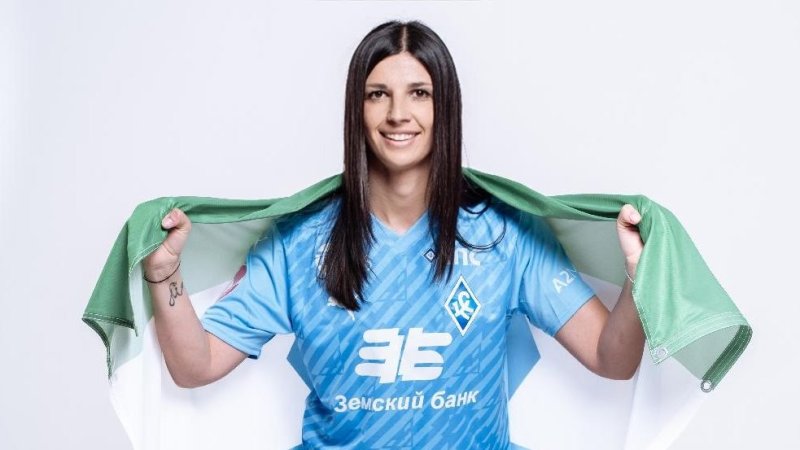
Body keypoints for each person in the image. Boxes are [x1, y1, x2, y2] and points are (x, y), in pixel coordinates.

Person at [143, 20, 646, 448]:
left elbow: (613, 357)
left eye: (419, 93)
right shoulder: (298, 241)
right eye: (377, 94)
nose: (397, 114)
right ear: (357, 110)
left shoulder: (504, 233)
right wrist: (165, 274)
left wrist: (640, 274)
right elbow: (195, 366)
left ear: (445, 107)